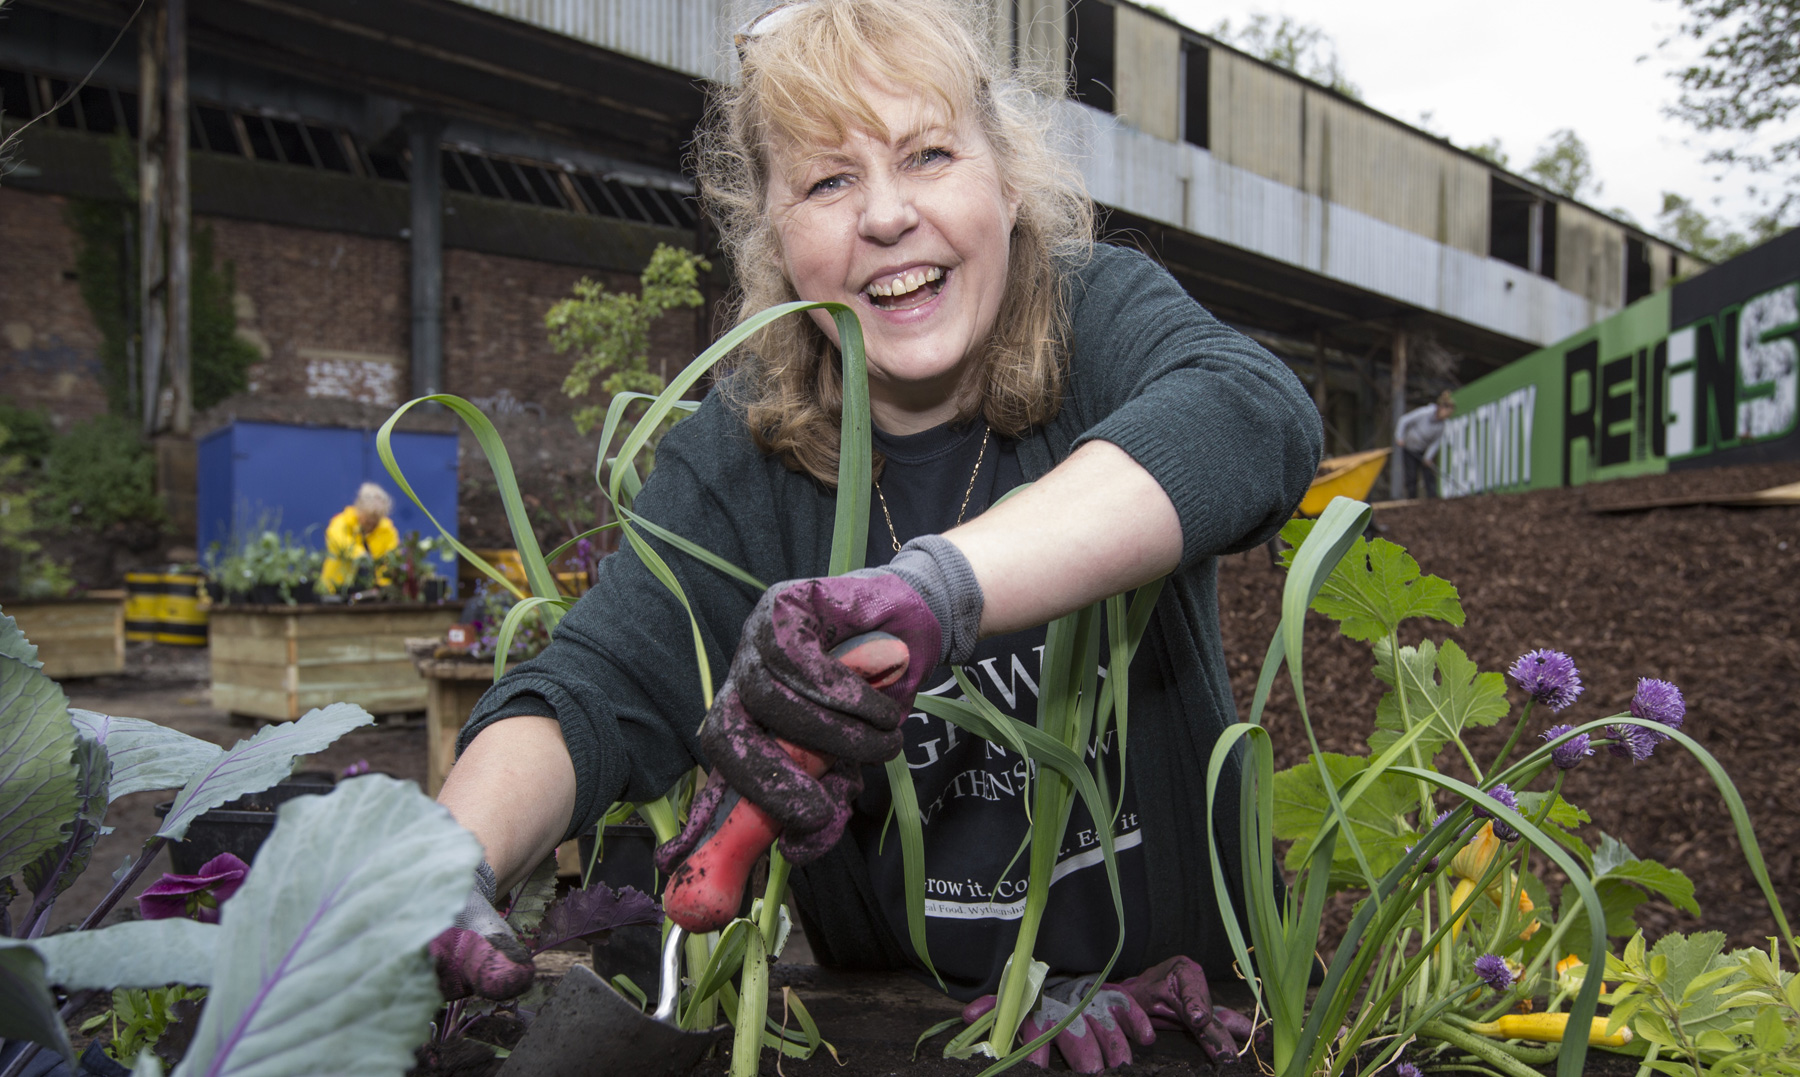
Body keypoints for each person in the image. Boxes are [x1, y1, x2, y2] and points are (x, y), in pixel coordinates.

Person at [430, 1, 1321, 1070]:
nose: (889, 217)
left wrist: (942, 589)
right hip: (901, 1038)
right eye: (827, 180)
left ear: (1004, 174)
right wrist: (441, 866)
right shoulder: (738, 460)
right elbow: (585, 694)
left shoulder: (1101, 324)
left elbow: (1251, 415)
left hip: (1198, 1022)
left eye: (928, 153)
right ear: (771, 231)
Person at [320, 482, 398, 592]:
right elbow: (339, 543)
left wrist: (383, 587)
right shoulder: (340, 523)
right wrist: (361, 556)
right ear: (358, 509)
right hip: (336, 589)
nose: (371, 523)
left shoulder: (387, 530)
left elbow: (390, 560)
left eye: (376, 519)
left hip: (372, 593)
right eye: (368, 518)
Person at [1393, 390, 1455, 500]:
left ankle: (1432, 498)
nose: (1447, 416)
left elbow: (1435, 442)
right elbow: (1404, 420)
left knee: (1428, 474)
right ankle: (1411, 499)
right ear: (1441, 408)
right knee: (1411, 475)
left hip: (1423, 450)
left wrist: (1428, 457)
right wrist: (1399, 437)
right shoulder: (1425, 412)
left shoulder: (1441, 425)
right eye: (1447, 412)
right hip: (1409, 448)